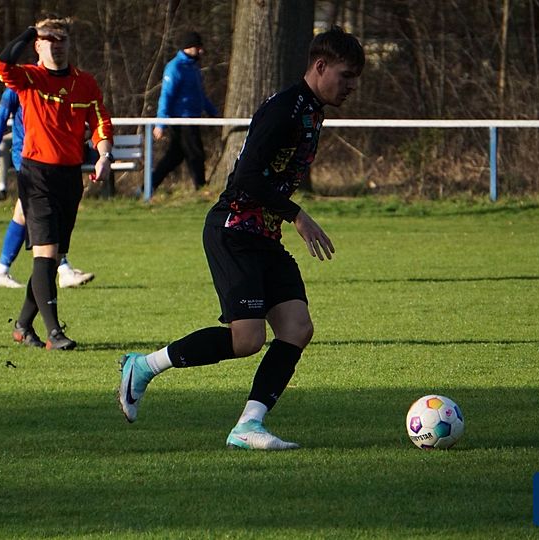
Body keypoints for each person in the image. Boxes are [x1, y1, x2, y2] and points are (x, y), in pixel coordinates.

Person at [117, 27, 365, 450]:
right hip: (233, 231)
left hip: (264, 235)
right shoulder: (285, 109)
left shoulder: (312, 110)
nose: (351, 86)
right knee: (247, 340)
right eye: (346, 76)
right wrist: (296, 215)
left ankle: (248, 426)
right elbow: (247, 176)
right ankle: (143, 367)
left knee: (297, 328)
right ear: (320, 66)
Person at [0, 16, 113, 350]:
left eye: (62, 40)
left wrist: (104, 155)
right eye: (49, 40)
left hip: (70, 178)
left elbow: (100, 122)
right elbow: (1, 64)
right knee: (45, 254)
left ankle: (22, 325)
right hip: (36, 176)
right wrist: (30, 31)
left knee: (53, 255)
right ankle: (54, 332)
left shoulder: (85, 83)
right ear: (37, 45)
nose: (56, 46)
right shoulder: (29, 78)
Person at [0, 88, 95, 290]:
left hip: (50, 159)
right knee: (45, 208)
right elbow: (0, 118)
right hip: (26, 158)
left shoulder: (55, 85)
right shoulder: (18, 86)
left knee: (24, 212)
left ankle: (2, 271)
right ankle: (63, 269)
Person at [151, 30, 219, 192]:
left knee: (174, 157)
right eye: (198, 47)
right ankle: (201, 189)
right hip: (182, 120)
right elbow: (166, 96)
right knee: (196, 154)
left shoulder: (193, 68)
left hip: (193, 118)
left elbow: (199, 95)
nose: (201, 51)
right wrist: (160, 123)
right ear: (189, 47)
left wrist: (212, 111)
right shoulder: (175, 68)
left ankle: (148, 186)